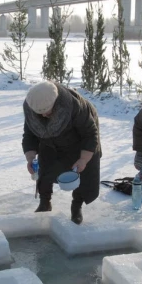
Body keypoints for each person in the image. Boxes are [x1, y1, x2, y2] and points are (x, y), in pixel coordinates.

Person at [22, 81, 101, 225]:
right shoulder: (32, 105)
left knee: (83, 172)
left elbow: (90, 134)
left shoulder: (75, 106)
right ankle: (45, 202)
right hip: (48, 139)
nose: (44, 115)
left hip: (79, 138)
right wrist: (30, 158)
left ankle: (76, 205)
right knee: (44, 167)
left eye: (48, 111)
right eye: (40, 113)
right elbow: (29, 135)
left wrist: (83, 159)